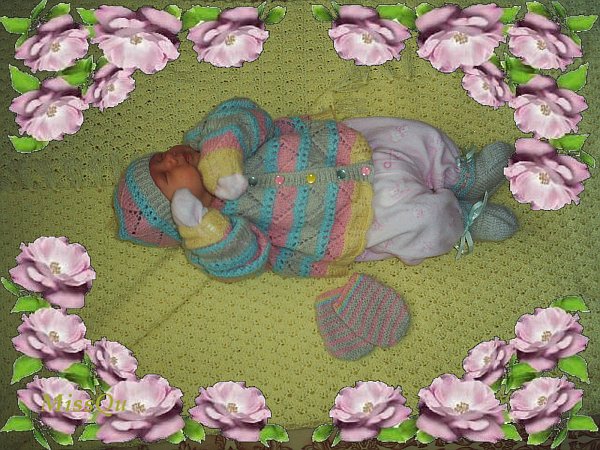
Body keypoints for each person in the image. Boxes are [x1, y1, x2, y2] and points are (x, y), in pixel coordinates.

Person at [113, 97, 518, 281]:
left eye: (159, 157)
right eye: (165, 175)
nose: (170, 158)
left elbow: (245, 113)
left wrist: (222, 154)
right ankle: (463, 219)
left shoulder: (214, 139)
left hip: (346, 152)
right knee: (417, 221)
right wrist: (202, 229)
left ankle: (461, 175)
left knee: (410, 138)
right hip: (351, 220)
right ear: (178, 210)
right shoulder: (225, 232)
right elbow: (246, 259)